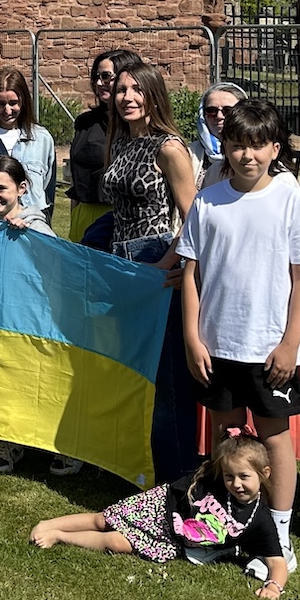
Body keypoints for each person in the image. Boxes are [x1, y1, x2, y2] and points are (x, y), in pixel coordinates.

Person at [178, 99, 300, 585]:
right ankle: (223, 527)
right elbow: (191, 275)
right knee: (225, 440)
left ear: (274, 148)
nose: (247, 155)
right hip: (216, 347)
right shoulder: (208, 201)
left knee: (275, 440)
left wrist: (289, 343)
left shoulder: (291, 200)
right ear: (225, 146)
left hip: (268, 352)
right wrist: (193, 338)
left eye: (258, 146)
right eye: (237, 145)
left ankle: (277, 539)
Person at [29, 434, 292, 600]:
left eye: (244, 477)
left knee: (117, 543)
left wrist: (273, 587)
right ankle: (50, 524)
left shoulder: (260, 519)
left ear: (265, 473)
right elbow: (219, 456)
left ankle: (60, 537)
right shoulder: (216, 480)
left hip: (171, 540)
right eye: (229, 476)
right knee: (105, 519)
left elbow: (277, 561)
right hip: (161, 506)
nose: (236, 484)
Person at [100, 56, 200, 482]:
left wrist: (165, 264)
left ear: (153, 95)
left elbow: (194, 218)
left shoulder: (169, 147)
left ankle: (177, 474)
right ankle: (141, 463)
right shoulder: (120, 141)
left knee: (167, 377)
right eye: (121, 90)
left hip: (154, 257)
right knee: (132, 368)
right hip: (122, 262)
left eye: (136, 90)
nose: (127, 98)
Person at [0, 154, 62, 476]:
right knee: (2, 377)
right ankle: (8, 440)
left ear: (21, 188)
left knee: (32, 379)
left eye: (1, 188)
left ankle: (58, 443)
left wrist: (29, 239)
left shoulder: (34, 225)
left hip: (30, 319)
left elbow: (59, 264)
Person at [64, 49, 140, 242]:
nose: (99, 83)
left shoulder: (136, 126)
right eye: (96, 77)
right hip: (83, 213)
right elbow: (77, 178)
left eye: (106, 77)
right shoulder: (85, 123)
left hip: (120, 217)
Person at [0, 67, 57, 224]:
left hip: (30, 226)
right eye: (0, 104)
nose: (7, 110)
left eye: (13, 103)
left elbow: (48, 188)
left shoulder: (42, 139)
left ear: (24, 102)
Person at [189, 82, 249, 188]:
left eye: (228, 111)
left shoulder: (257, 154)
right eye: (211, 111)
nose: (219, 116)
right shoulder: (188, 154)